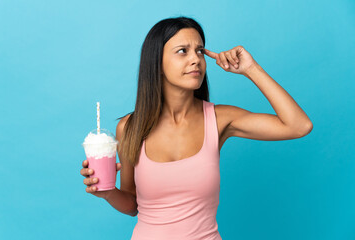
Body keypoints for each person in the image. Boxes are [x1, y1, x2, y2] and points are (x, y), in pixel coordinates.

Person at [80, 16, 313, 240]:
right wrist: (108, 192)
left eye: (200, 51)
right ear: (157, 63)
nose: (196, 59)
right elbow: (132, 204)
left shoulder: (220, 119)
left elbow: (299, 126)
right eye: (183, 51)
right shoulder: (130, 127)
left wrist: (251, 69)